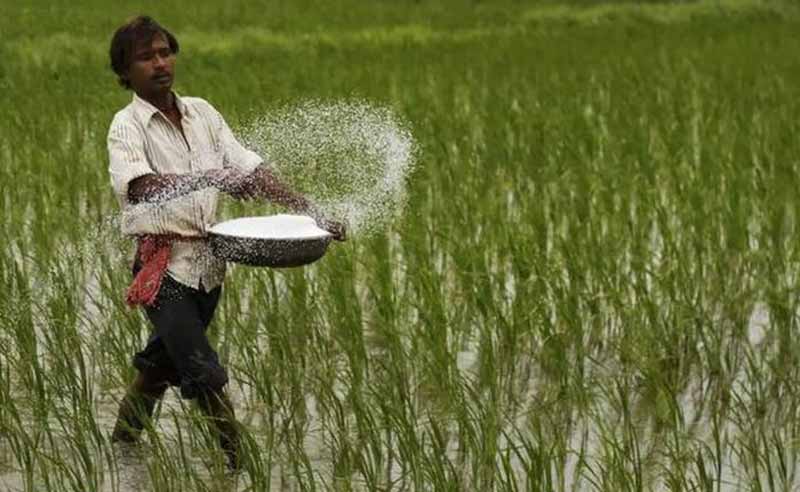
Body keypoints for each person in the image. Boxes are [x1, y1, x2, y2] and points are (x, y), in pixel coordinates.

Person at [106, 15, 345, 470]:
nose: (159, 63)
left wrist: (312, 212)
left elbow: (251, 171)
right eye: (145, 57)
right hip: (163, 271)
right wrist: (210, 176)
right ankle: (243, 466)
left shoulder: (203, 113)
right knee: (204, 372)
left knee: (160, 367)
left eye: (164, 52)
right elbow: (139, 188)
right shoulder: (127, 126)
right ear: (125, 73)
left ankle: (122, 448)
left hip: (208, 269)